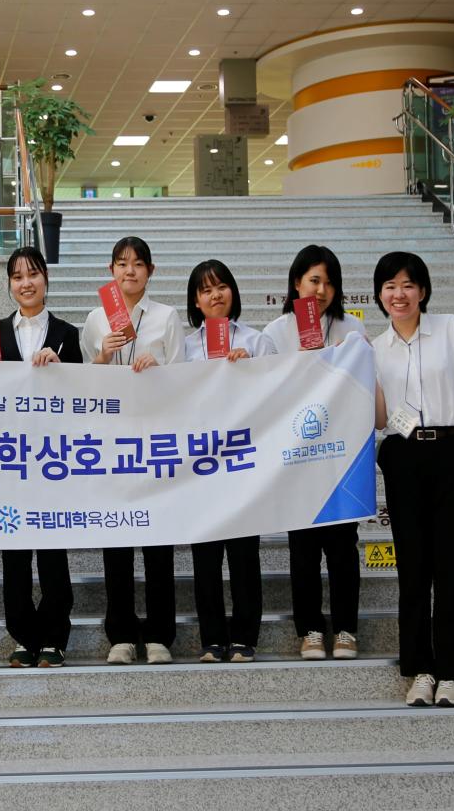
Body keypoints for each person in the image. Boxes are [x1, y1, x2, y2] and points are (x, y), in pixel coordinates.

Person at [372, 251, 454, 708]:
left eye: (407, 285)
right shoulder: (374, 348)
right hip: (402, 453)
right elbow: (383, 417)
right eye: (389, 286)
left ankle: (453, 672)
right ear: (380, 294)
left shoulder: (451, 329)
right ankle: (420, 670)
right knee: (413, 569)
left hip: (452, 450)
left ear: (422, 290)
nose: (398, 295)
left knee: (450, 564)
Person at [0, 245, 81, 667]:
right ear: (9, 285)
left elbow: (82, 396)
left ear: (46, 279)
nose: (26, 283)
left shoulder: (67, 335)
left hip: (52, 460)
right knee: (14, 553)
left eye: (32, 274)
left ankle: (54, 637)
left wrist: (63, 365)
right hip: (8, 459)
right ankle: (22, 636)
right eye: (17, 276)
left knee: (53, 550)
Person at [80, 236, 185, 665]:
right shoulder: (94, 319)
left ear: (150, 271)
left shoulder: (167, 316)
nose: (130, 271)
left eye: (138, 264)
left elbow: (184, 379)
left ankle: (159, 634)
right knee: (116, 537)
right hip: (110, 442)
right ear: (111, 271)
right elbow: (83, 387)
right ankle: (121, 634)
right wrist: (103, 358)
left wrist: (158, 370)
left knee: (158, 538)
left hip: (155, 439)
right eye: (122, 264)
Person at [264, 245, 368, 662]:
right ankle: (309, 629)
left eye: (329, 282)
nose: (322, 289)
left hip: (340, 457)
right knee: (302, 549)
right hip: (296, 458)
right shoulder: (275, 332)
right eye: (314, 280)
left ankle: (345, 629)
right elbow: (264, 394)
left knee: (343, 548)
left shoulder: (351, 330)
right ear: (296, 283)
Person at [183, 259, 276, 664]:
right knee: (204, 555)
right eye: (205, 290)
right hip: (200, 463)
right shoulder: (184, 347)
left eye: (221, 287)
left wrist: (251, 371)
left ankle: (244, 637)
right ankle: (212, 638)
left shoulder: (257, 342)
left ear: (232, 292)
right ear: (196, 301)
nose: (215, 295)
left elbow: (278, 393)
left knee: (243, 553)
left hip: (243, 460)